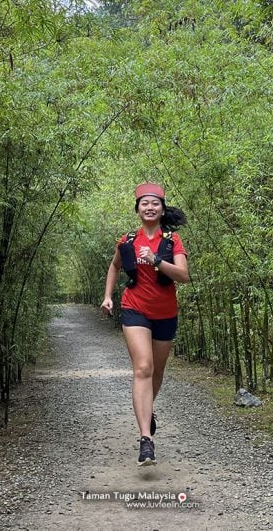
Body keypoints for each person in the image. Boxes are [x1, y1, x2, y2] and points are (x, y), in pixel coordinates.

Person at [101, 182, 189, 467]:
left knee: (157, 373)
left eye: (155, 204)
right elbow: (115, 266)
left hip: (165, 312)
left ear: (162, 209)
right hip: (134, 308)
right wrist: (108, 296)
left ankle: (146, 410)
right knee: (143, 368)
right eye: (144, 204)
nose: (149, 208)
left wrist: (156, 261)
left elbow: (184, 276)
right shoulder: (127, 240)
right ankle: (146, 440)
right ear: (138, 209)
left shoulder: (171, 240)